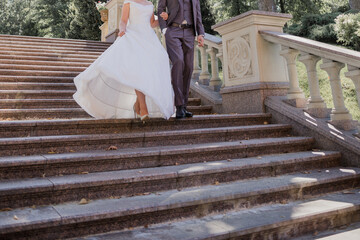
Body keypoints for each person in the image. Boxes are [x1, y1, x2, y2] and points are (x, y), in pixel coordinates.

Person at [73, 0, 174, 122]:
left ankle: (138, 104)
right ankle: (143, 108)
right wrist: (122, 30)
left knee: (156, 63)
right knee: (138, 71)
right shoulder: (129, 1)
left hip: (149, 39)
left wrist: (164, 19)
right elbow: (123, 20)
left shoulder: (150, 4)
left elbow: (152, 23)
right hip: (133, 37)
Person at [158, 0, 205, 119]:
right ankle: (179, 105)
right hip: (173, 31)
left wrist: (201, 33)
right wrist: (164, 28)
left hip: (189, 33)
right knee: (178, 61)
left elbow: (197, 14)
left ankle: (184, 106)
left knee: (189, 67)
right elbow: (160, 9)